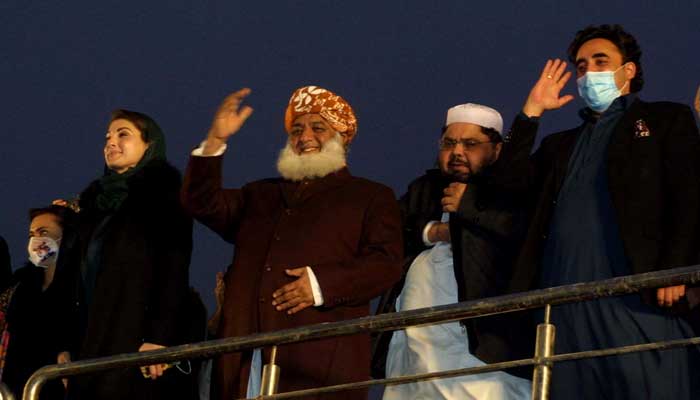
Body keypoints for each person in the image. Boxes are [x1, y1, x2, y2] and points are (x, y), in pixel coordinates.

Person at [497, 24, 700, 399]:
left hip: (641, 299)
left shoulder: (665, 120)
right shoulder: (560, 145)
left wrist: (679, 268)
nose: (589, 72)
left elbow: (689, 194)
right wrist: (530, 113)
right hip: (565, 304)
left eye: (601, 61)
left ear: (629, 70)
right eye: (581, 65)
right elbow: (506, 187)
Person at [181, 86, 403, 399]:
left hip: (315, 363)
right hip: (243, 360)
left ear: (343, 137)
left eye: (318, 128)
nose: (305, 137)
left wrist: (318, 285)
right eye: (296, 129)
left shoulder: (370, 197)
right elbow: (200, 202)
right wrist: (216, 140)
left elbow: (385, 265)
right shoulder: (260, 194)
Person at [379, 104, 530, 400]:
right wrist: (434, 231)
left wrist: (468, 213)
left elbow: (516, 232)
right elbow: (390, 231)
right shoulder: (424, 188)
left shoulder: (509, 193)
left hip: (481, 342)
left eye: (470, 144)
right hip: (415, 346)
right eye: (449, 143)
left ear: (496, 150)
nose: (457, 152)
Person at [66, 109, 193, 400]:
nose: (111, 142)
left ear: (149, 145)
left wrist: (159, 339)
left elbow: (174, 270)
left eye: (123, 134)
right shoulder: (94, 206)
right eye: (108, 137)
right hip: (88, 342)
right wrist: (66, 344)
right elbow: (76, 278)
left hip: (134, 337)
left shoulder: (164, 198)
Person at [0, 206, 81, 400]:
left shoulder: (79, 282)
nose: (36, 240)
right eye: (31, 234)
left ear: (67, 235)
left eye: (43, 232)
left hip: (58, 386)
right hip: (18, 385)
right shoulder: (22, 284)